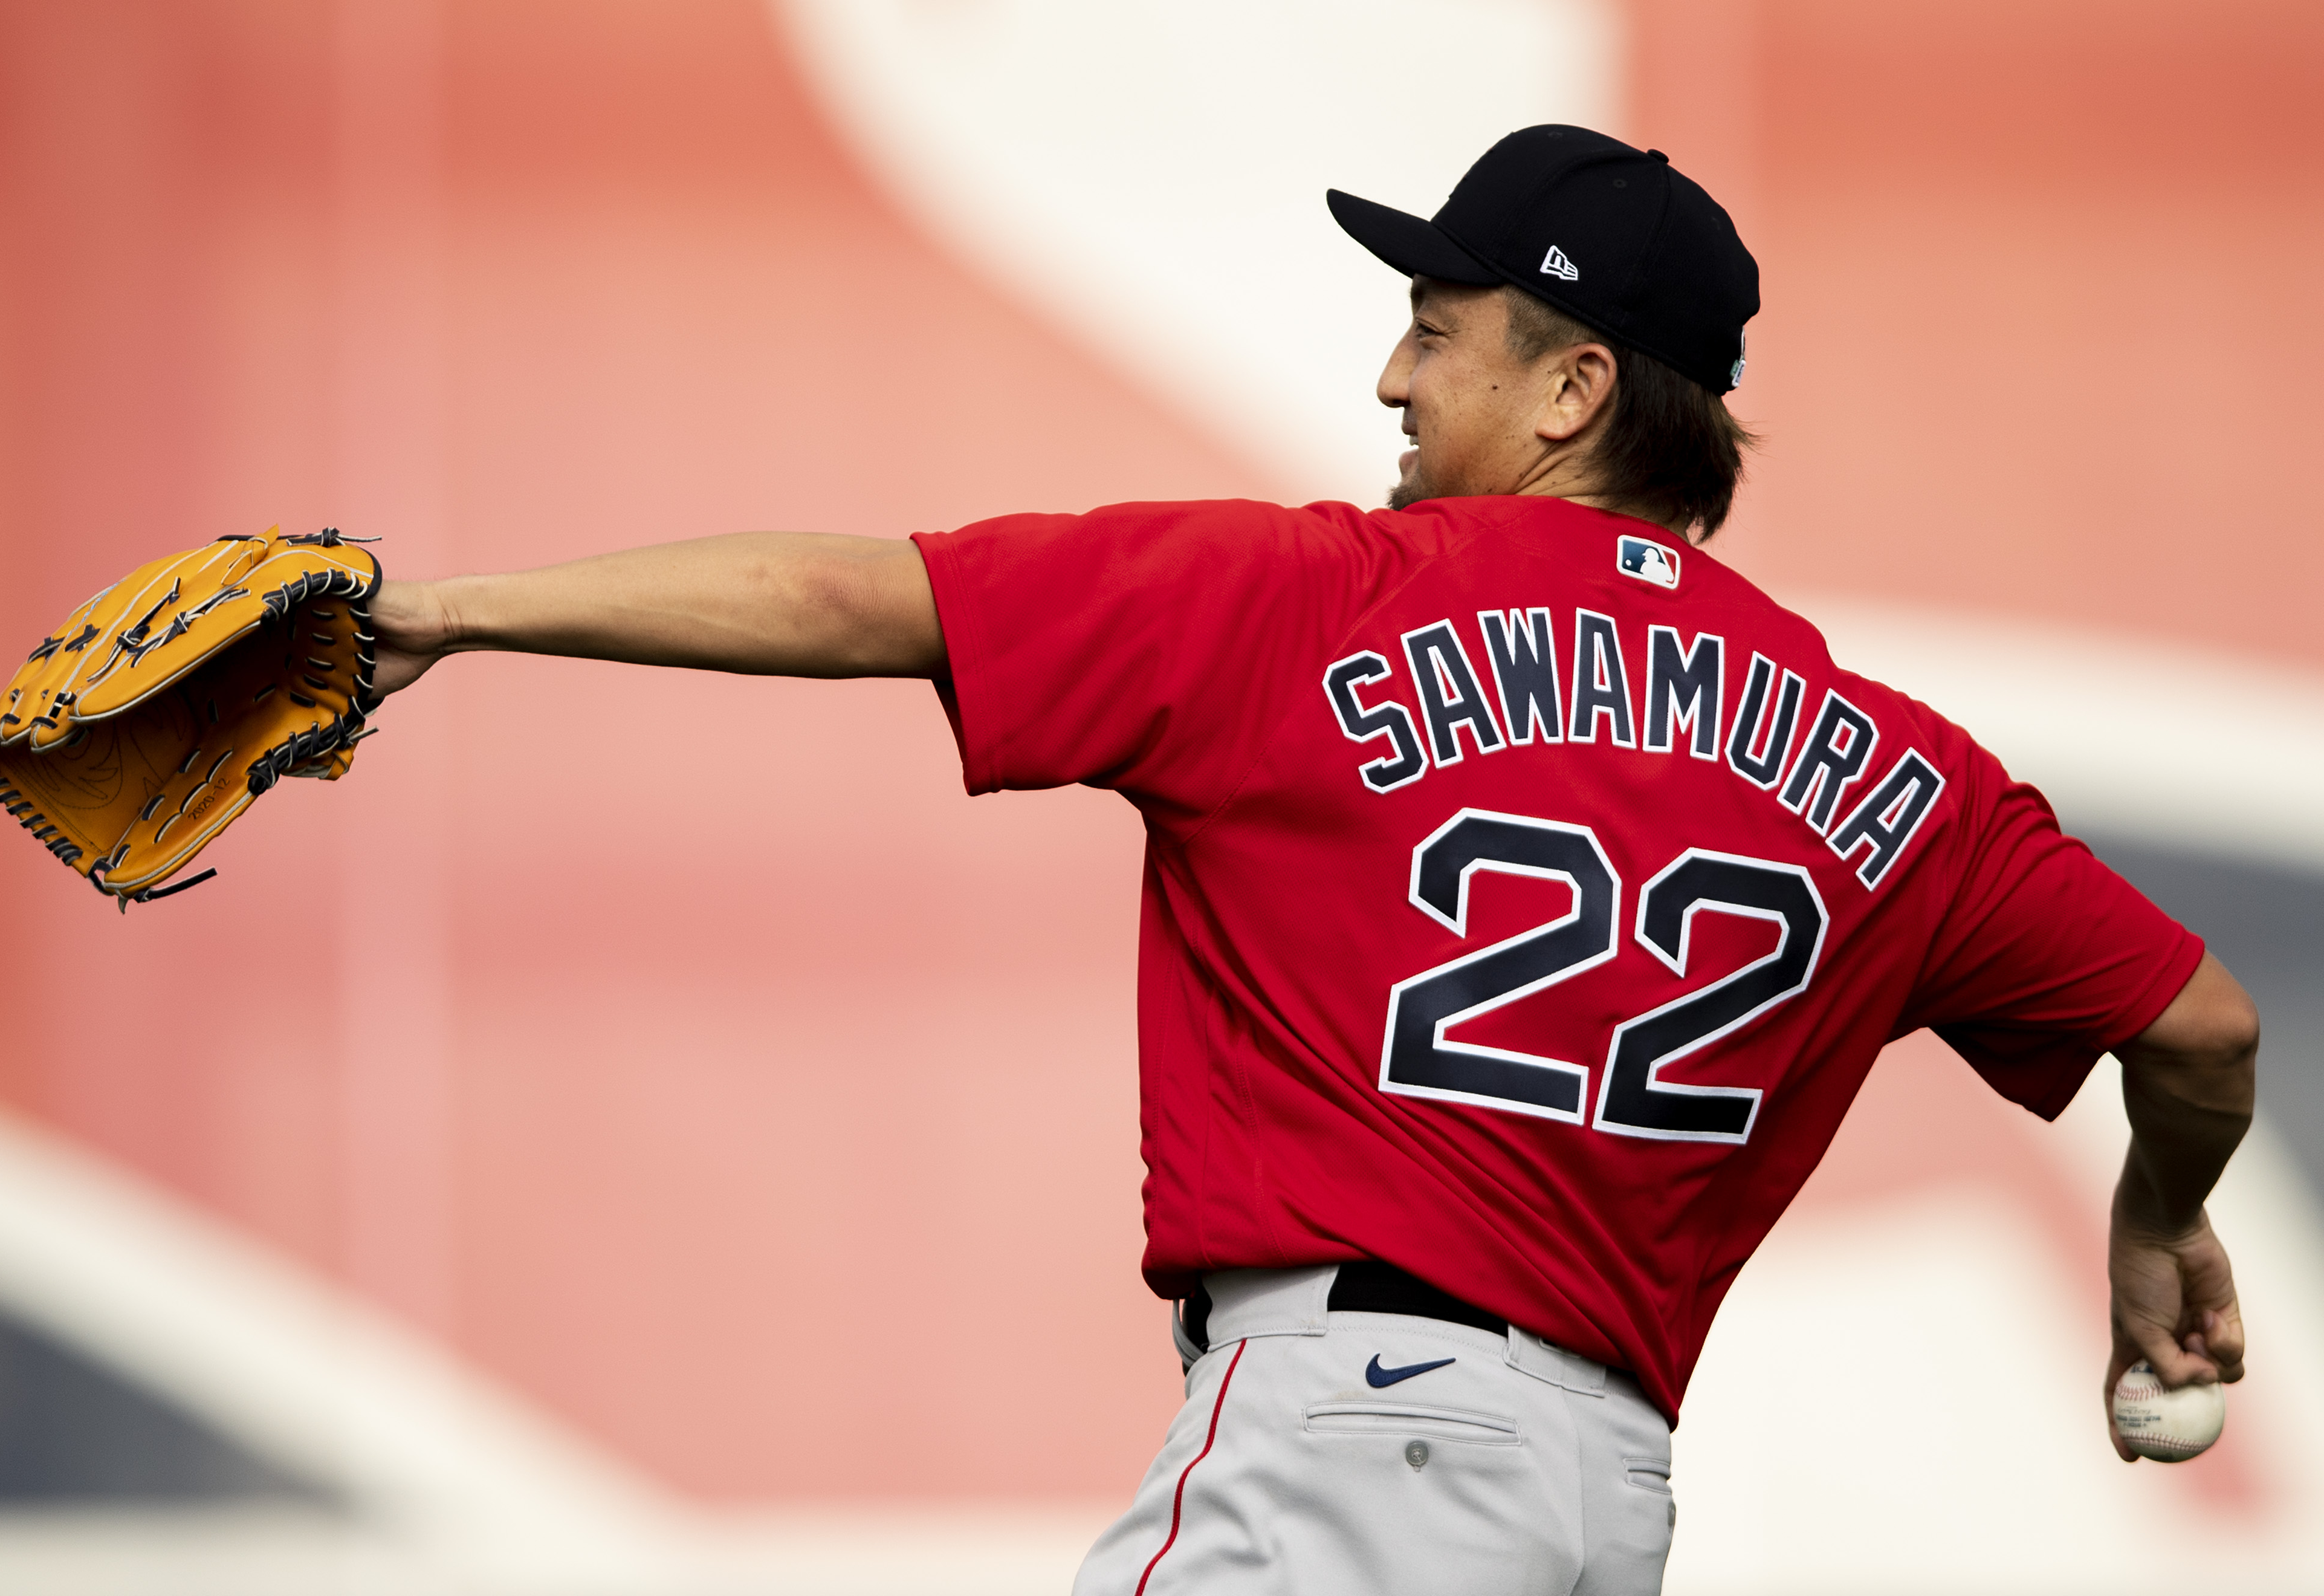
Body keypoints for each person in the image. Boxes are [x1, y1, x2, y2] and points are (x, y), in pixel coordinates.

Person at [366, 127, 2255, 1595]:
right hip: (1602, 1507)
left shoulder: (1310, 605)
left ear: (1575, 388)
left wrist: (447, 611)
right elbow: (2203, 1029)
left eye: (1438, 331)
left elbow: (852, 595)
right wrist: (2163, 1214)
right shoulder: (1901, 774)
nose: (1391, 380)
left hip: (1352, 1443)